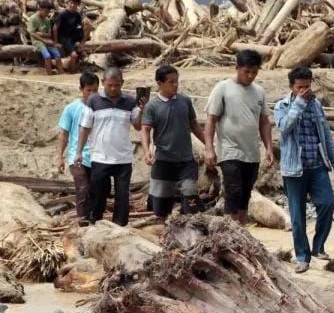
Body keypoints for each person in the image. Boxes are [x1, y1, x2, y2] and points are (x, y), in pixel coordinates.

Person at [275, 67, 334, 273]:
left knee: (327, 203)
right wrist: (298, 104)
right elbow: (284, 127)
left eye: (307, 86)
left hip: (317, 166)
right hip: (294, 169)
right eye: (299, 87)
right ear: (291, 87)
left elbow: (326, 136)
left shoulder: (316, 106)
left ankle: (318, 246)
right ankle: (302, 257)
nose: (304, 91)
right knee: (297, 216)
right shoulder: (282, 106)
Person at [204, 49, 274, 224]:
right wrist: (209, 149)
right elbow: (211, 120)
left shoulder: (259, 91)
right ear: (237, 68)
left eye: (254, 72)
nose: (250, 76)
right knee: (233, 192)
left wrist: (269, 148)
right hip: (230, 151)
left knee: (245, 195)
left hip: (251, 153)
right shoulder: (223, 88)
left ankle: (240, 232)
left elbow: (264, 122)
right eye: (247, 71)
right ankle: (228, 232)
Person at [74, 67, 143, 226]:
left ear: (122, 84)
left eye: (117, 85)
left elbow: (138, 126)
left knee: (122, 195)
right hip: (100, 157)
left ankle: (120, 227)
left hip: (123, 159)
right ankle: (95, 223)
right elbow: (85, 128)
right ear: (103, 83)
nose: (113, 88)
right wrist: (78, 152)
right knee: (98, 193)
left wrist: (142, 110)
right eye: (109, 85)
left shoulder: (130, 102)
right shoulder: (93, 101)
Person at [141, 65, 205, 220]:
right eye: (171, 82)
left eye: (177, 81)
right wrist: (146, 151)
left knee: (190, 195)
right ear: (159, 83)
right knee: (161, 208)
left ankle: (193, 230)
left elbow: (194, 124)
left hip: (186, 161)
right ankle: (163, 235)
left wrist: (208, 144)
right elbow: (145, 130)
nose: (175, 85)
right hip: (163, 161)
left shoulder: (185, 101)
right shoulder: (152, 106)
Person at [55, 72, 99, 223]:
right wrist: (59, 157)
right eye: (89, 90)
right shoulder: (71, 108)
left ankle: (94, 220)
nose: (92, 94)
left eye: (95, 90)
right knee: (83, 188)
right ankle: (83, 221)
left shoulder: (102, 108)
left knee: (96, 190)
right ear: (81, 89)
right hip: (77, 156)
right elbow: (64, 134)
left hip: (98, 156)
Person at [53, 0, 91, 73]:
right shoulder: (62, 14)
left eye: (75, 4)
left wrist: (85, 21)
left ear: (78, 5)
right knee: (74, 55)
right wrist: (56, 42)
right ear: (68, 2)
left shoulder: (77, 14)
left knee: (88, 25)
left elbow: (82, 25)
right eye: (71, 3)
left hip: (73, 34)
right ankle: (72, 71)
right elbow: (55, 28)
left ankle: (81, 44)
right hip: (64, 37)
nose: (73, 5)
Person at [26, 0, 64, 75]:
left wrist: (41, 34)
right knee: (47, 56)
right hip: (37, 42)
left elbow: (49, 34)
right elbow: (32, 34)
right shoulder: (32, 19)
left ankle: (61, 73)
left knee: (57, 55)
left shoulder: (47, 20)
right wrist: (44, 39)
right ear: (40, 9)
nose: (47, 14)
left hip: (46, 40)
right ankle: (49, 74)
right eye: (46, 11)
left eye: (48, 12)